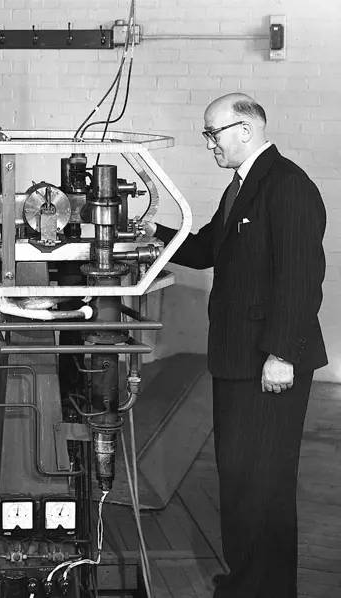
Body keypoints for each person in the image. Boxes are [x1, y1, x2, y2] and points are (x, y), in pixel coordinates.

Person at [147, 93, 326, 598]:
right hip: (237, 359)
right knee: (240, 479)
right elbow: (206, 249)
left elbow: (301, 278)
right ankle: (247, 582)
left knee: (264, 484)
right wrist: (150, 232)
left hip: (269, 362)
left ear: (245, 130)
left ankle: (265, 589)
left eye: (213, 133)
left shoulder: (288, 186)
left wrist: (282, 354)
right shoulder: (241, 187)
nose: (209, 144)